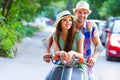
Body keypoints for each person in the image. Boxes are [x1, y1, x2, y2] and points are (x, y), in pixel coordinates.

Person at [43, 10, 88, 80]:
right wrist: (60, 53)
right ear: (60, 23)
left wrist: (72, 53)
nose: (68, 22)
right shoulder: (56, 35)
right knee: (48, 77)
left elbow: (81, 55)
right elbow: (54, 49)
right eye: (64, 20)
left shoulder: (79, 35)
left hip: (78, 65)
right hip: (63, 64)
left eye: (70, 20)